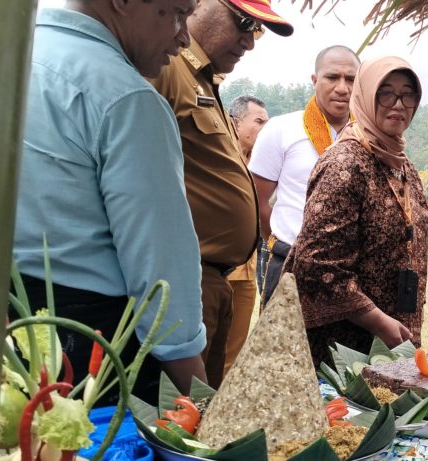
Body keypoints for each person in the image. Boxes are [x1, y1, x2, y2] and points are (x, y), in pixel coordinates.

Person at [12, 0, 206, 401]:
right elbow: (161, 274)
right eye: (175, 12)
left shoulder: (7, 59)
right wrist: (198, 393)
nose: (184, 36)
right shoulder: (125, 97)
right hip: (91, 351)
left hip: (4, 333)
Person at [147, 0, 291, 386]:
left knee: (206, 419)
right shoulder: (166, 66)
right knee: (180, 419)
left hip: (215, 283)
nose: (249, 41)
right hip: (184, 280)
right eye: (243, 22)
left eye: (256, 30)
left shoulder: (203, 78)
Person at [285, 56, 426, 367]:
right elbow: (316, 263)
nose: (398, 104)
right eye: (385, 92)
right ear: (365, 95)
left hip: (390, 341)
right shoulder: (345, 163)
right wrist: (377, 321)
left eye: (408, 94)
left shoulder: (403, 166)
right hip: (341, 348)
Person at [249, 45, 360, 305]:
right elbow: (257, 200)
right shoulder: (281, 129)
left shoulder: (368, 136)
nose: (342, 88)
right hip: (289, 261)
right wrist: (281, 245)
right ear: (314, 80)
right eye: (332, 77)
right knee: (282, 345)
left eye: (351, 79)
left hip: (350, 270)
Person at [222, 94, 269, 376]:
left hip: (248, 272)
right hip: (220, 271)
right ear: (236, 124)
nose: (265, 128)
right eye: (259, 121)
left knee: (235, 354)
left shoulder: (262, 166)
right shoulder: (220, 158)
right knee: (210, 348)